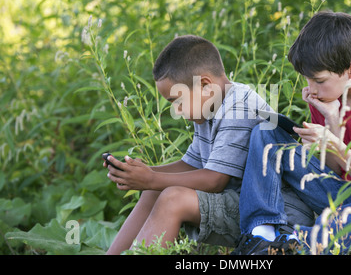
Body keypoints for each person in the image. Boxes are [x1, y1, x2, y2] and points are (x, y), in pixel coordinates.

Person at [104, 35, 312, 255]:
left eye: (178, 102)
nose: (177, 111)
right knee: (152, 191)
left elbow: (214, 180)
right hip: (241, 203)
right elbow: (191, 165)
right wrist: (142, 174)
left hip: (275, 216)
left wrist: (151, 178)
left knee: (172, 199)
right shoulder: (209, 106)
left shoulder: (239, 107)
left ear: (205, 85)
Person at [233, 11, 351, 255]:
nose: (311, 89)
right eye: (308, 79)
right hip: (339, 192)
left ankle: (303, 242)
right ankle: (261, 234)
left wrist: (333, 143)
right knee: (265, 132)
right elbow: (334, 170)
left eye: (319, 80)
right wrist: (332, 119)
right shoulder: (327, 96)